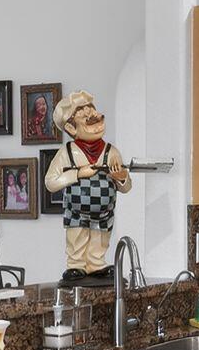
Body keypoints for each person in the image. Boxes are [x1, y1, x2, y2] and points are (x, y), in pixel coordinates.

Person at [40, 89, 131, 281]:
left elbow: (125, 187)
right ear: (71, 129)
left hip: (104, 212)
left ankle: (96, 264)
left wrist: (121, 176)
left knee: (100, 238)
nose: (93, 118)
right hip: (76, 212)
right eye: (84, 115)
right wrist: (78, 173)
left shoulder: (111, 152)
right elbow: (50, 182)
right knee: (77, 237)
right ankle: (77, 266)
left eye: (93, 113)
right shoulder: (67, 152)